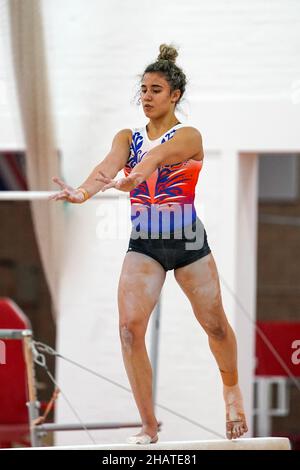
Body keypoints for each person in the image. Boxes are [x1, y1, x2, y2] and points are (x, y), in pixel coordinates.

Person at [50, 43, 248, 445]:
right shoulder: (127, 135)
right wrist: (82, 194)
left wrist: (134, 177)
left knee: (215, 326)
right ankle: (148, 424)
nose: (146, 96)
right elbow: (106, 168)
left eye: (155, 90)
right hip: (145, 244)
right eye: (142, 89)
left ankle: (231, 391)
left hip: (188, 240)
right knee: (127, 330)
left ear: (174, 94)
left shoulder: (189, 135)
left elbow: (157, 158)